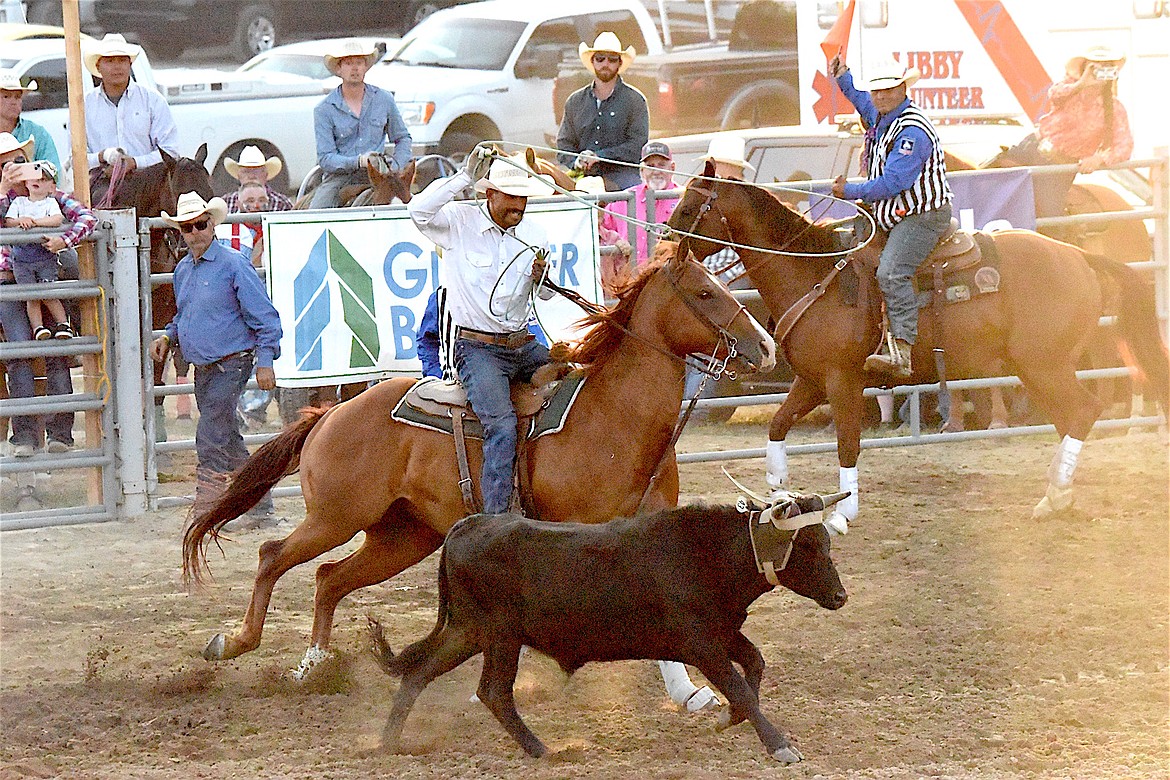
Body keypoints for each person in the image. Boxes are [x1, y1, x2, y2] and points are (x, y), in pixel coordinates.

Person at [407, 147, 555, 514]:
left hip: (523, 344)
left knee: (578, 388)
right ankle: (495, 520)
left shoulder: (536, 235)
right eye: (511, 197)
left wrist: (543, 280)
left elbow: (547, 294)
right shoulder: (459, 222)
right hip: (477, 349)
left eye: (523, 198)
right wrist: (462, 178)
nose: (518, 206)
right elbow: (418, 211)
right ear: (489, 193)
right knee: (501, 425)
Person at [149, 192, 283, 527]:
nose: (194, 232)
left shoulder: (234, 264)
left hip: (232, 362)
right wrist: (168, 336)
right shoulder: (184, 271)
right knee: (227, 434)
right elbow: (184, 316)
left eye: (199, 224)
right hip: (206, 367)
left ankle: (207, 507)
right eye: (187, 227)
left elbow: (265, 317)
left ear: (212, 224)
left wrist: (265, 359)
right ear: (181, 231)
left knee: (210, 433)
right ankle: (260, 506)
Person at [830, 56, 953, 378]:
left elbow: (895, 182)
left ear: (902, 89)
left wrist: (851, 191)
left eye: (888, 90)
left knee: (892, 272)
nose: (881, 96)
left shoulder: (913, 131)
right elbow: (860, 99)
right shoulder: (881, 115)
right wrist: (844, 77)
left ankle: (902, 350)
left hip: (922, 214)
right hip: (893, 214)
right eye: (877, 91)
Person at [0, 133, 97, 458]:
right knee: (20, 355)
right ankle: (25, 436)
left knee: (55, 350)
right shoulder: (10, 199)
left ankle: (59, 434)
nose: (13, 169)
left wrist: (63, 240)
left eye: (17, 162)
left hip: (40, 274)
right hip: (9, 283)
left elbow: (86, 217)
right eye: (5, 164)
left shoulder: (46, 191)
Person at [1003, 45, 1133, 218]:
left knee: (1049, 215)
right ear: (1084, 68)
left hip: (1059, 168)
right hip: (1032, 148)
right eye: (1094, 67)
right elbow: (1054, 94)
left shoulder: (1115, 108)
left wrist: (1099, 158)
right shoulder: (1069, 90)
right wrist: (1081, 83)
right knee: (995, 182)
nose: (1100, 72)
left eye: (1106, 67)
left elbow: (1125, 146)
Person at [310, 39, 411, 209]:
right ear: (339, 69)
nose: (355, 68)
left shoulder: (384, 99)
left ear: (366, 67)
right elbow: (325, 158)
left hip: (382, 176)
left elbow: (402, 138)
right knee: (317, 213)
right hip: (340, 178)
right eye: (348, 63)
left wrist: (396, 168)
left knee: (417, 207)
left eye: (359, 63)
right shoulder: (324, 109)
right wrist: (358, 162)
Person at [556, 32, 649, 192]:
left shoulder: (635, 100)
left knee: (635, 197)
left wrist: (600, 156)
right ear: (592, 62)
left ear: (619, 63)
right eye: (600, 58)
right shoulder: (575, 101)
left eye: (612, 59)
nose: (606, 63)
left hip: (623, 176)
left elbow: (637, 146)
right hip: (582, 176)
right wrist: (576, 161)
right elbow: (563, 145)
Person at [83, 34, 179, 184]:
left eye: (122, 60)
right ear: (98, 67)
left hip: (149, 184)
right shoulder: (84, 105)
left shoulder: (153, 100)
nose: (117, 66)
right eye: (109, 61)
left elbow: (170, 152)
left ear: (130, 64)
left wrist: (134, 162)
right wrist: (102, 156)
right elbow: (75, 158)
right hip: (101, 182)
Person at [4, 160, 71, 340]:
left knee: (47, 292)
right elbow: (9, 221)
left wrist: (33, 223)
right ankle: (38, 328)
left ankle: (63, 324)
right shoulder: (19, 202)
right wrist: (21, 221)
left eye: (44, 179)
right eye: (35, 178)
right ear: (26, 182)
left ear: (51, 186)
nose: (38, 181)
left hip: (43, 255)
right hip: (22, 258)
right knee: (31, 296)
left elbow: (57, 219)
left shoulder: (50, 203)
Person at [598, 140, 678, 280]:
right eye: (650, 166)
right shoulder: (622, 200)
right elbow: (600, 232)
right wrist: (615, 242)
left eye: (661, 165)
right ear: (641, 170)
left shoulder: (682, 200)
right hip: (627, 285)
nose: (656, 171)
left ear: (672, 168)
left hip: (668, 284)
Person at [0, 70, 58, 173]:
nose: (14, 102)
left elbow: (53, 173)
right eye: (6, 96)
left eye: (18, 97)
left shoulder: (38, 134)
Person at [221, 145, 293, 214]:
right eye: (246, 171)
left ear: (266, 175)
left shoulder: (282, 204)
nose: (251, 176)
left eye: (256, 171)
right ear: (238, 175)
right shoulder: (225, 203)